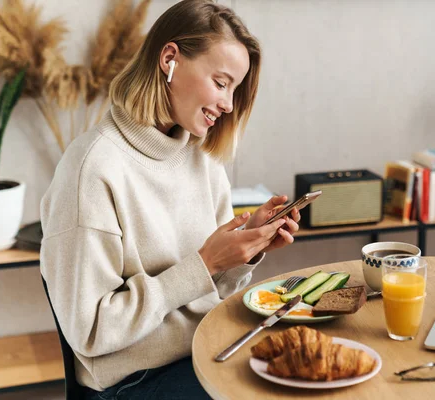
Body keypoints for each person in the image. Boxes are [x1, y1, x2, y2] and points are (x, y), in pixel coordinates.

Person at [39, 1, 299, 398]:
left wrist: (244, 248)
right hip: (133, 382)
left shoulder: (201, 159)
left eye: (235, 89)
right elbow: (90, 330)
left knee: (309, 372)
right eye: (221, 82)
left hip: (206, 351)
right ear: (170, 58)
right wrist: (206, 262)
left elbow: (213, 293)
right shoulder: (92, 169)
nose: (229, 104)